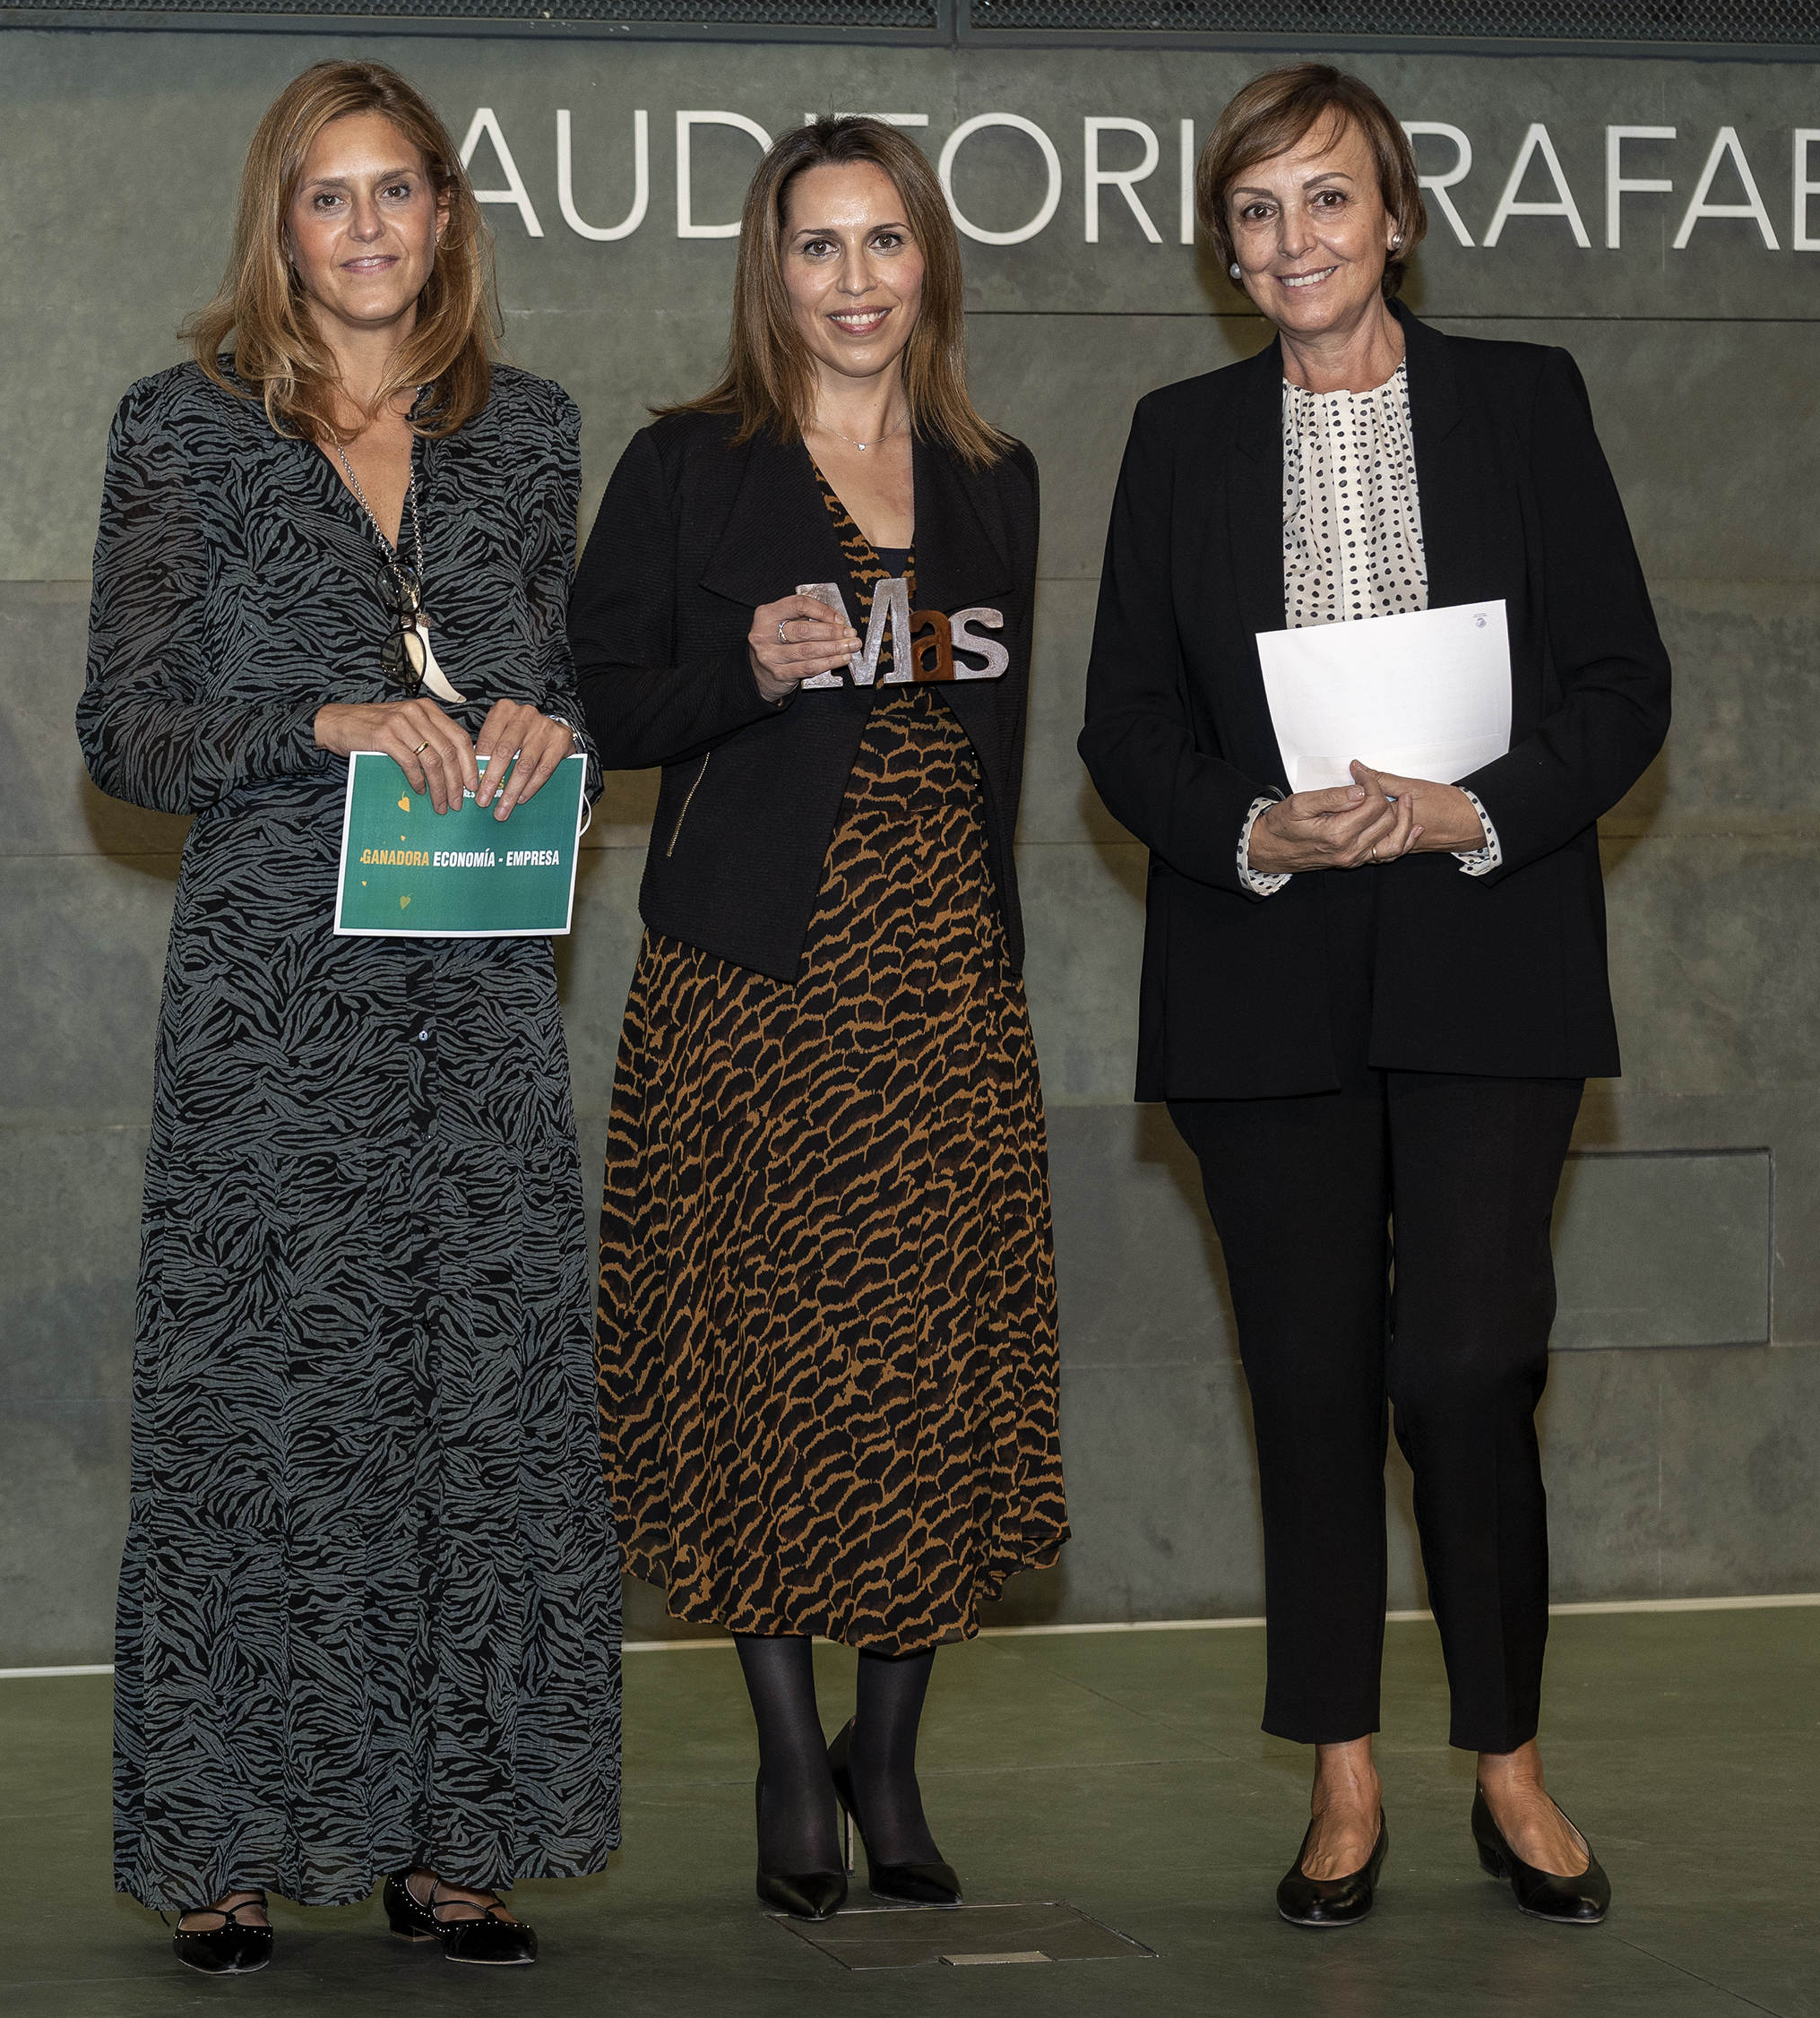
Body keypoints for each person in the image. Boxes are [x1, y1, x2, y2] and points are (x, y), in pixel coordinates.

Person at [1078, 63, 1671, 1930]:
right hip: (1263, 975)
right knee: (1312, 1376)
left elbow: (1618, 683)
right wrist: (1251, 826)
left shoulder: (1520, 402)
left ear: (1394, 216)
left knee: (1466, 1360)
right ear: (1222, 248)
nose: (1292, 241)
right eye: (1254, 211)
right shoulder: (1174, 438)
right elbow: (1121, 730)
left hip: (1486, 957)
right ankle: (1339, 1772)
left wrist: (1464, 807)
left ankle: (1503, 1753)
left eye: (1325, 200)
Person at [77, 58, 615, 1974]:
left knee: (478, 1411)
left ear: (447, 219)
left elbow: (548, 686)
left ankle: (452, 1847)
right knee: (265, 1412)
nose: (369, 226)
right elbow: (124, 731)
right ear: (278, 225)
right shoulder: (183, 431)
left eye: (400, 191)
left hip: (473, 1005)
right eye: (330, 196)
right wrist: (318, 726)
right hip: (270, 1014)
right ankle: (230, 1849)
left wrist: (558, 733)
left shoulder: (528, 433)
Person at [572, 116, 1061, 1924]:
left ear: (928, 261)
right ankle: (789, 1760)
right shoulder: (689, 467)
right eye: (815, 247)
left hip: (938, 982)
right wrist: (743, 673)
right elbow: (600, 697)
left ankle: (890, 1753)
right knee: (763, 1368)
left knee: (923, 1368)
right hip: (745, 983)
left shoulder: (993, 474)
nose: (852, 280)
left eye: (883, 243)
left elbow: (990, 731)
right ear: (767, 271)